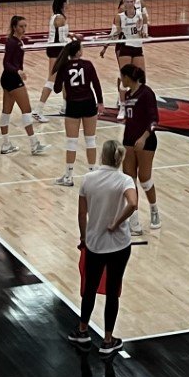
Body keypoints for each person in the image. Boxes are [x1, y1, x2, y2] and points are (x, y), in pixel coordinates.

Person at [70, 138, 141, 356]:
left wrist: (84, 237)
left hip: (94, 244)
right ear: (120, 159)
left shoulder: (88, 179)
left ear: (102, 156)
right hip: (119, 245)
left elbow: (82, 213)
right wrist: (117, 223)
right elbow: (133, 204)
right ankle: (108, 340)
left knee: (89, 288)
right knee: (113, 291)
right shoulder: (125, 180)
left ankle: (83, 330)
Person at [52, 36, 103, 185]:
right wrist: (100, 102)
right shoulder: (88, 65)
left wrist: (63, 81)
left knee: (71, 143)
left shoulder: (64, 67)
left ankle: (68, 176)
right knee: (90, 140)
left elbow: (55, 89)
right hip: (88, 103)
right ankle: (93, 175)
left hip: (73, 105)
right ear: (79, 53)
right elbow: (96, 84)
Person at [119, 63, 161, 233]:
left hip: (146, 141)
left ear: (128, 77)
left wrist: (143, 138)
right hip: (128, 140)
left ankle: (154, 210)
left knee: (144, 178)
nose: (121, 80)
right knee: (129, 179)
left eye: (122, 77)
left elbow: (154, 120)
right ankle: (134, 220)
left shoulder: (146, 93)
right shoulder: (129, 94)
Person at [0, 14, 47, 156]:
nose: (24, 29)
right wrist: (18, 71)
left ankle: (6, 144)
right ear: (14, 27)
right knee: (27, 111)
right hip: (13, 79)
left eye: (25, 26)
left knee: (6, 112)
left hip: (7, 79)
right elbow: (6, 63)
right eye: (21, 26)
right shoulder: (13, 43)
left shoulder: (15, 41)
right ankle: (34, 144)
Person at [35, 0, 73, 119]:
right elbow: (62, 38)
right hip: (57, 50)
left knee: (65, 79)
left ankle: (66, 107)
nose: (69, 4)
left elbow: (62, 34)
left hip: (58, 49)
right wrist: (72, 41)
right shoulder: (60, 18)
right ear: (63, 4)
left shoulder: (57, 16)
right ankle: (38, 110)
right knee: (52, 80)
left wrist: (71, 35)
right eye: (67, 2)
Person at [103, 0, 148, 74]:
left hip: (137, 47)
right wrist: (106, 46)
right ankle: (121, 84)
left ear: (134, 3)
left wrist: (140, 30)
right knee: (125, 74)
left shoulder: (141, 16)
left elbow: (143, 35)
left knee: (139, 75)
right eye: (127, 2)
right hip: (124, 46)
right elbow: (115, 32)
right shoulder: (119, 17)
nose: (129, 4)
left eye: (131, 2)